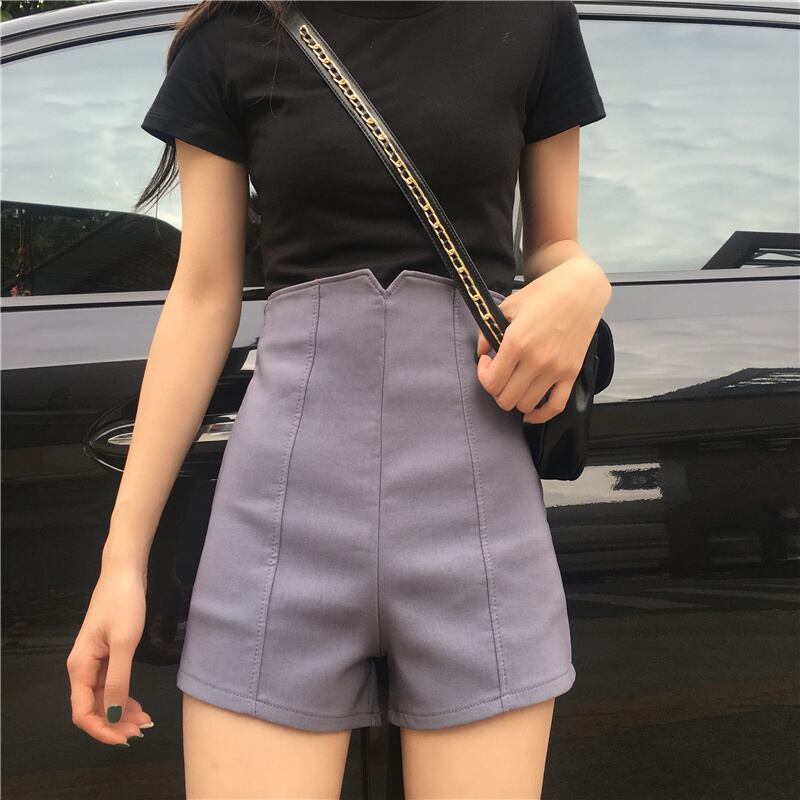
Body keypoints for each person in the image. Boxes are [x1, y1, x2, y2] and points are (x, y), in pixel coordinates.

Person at [67, 1, 612, 797]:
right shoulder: (232, 35)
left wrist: (586, 280)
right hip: (280, 514)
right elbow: (205, 293)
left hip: (477, 505)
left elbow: (555, 245)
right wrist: (123, 563)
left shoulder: (531, 18)